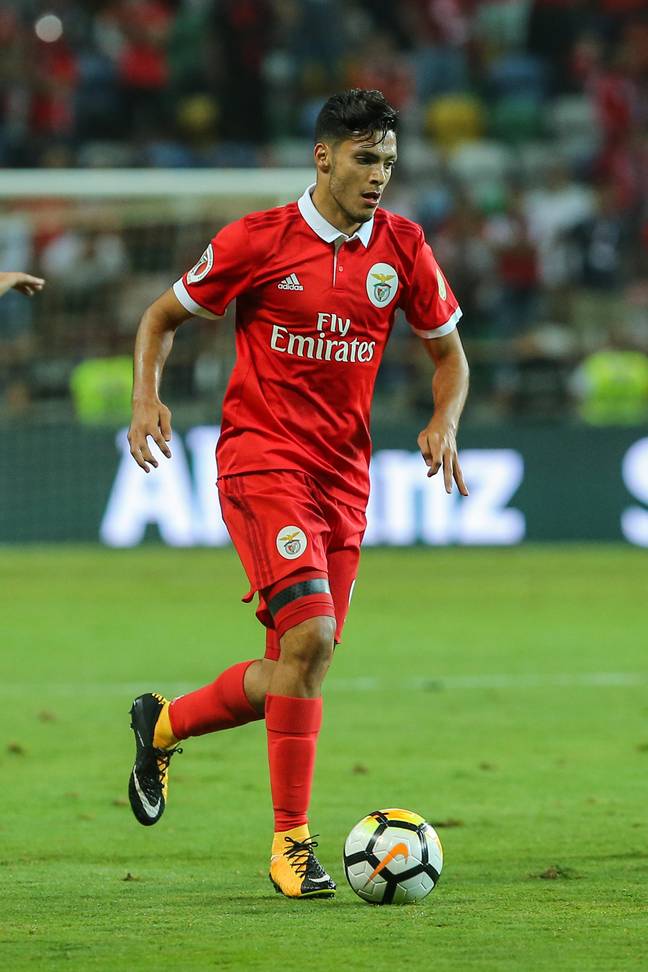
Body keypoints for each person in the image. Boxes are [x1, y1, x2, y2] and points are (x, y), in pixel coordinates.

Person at [126, 88, 469, 900]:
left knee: (296, 668)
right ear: (324, 158)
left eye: (389, 161)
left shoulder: (404, 248)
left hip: (344, 481)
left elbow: (451, 356)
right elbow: (160, 318)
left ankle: (162, 724)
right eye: (365, 159)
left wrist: (444, 420)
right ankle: (291, 844)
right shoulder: (257, 240)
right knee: (311, 637)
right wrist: (145, 397)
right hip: (261, 462)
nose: (379, 175)